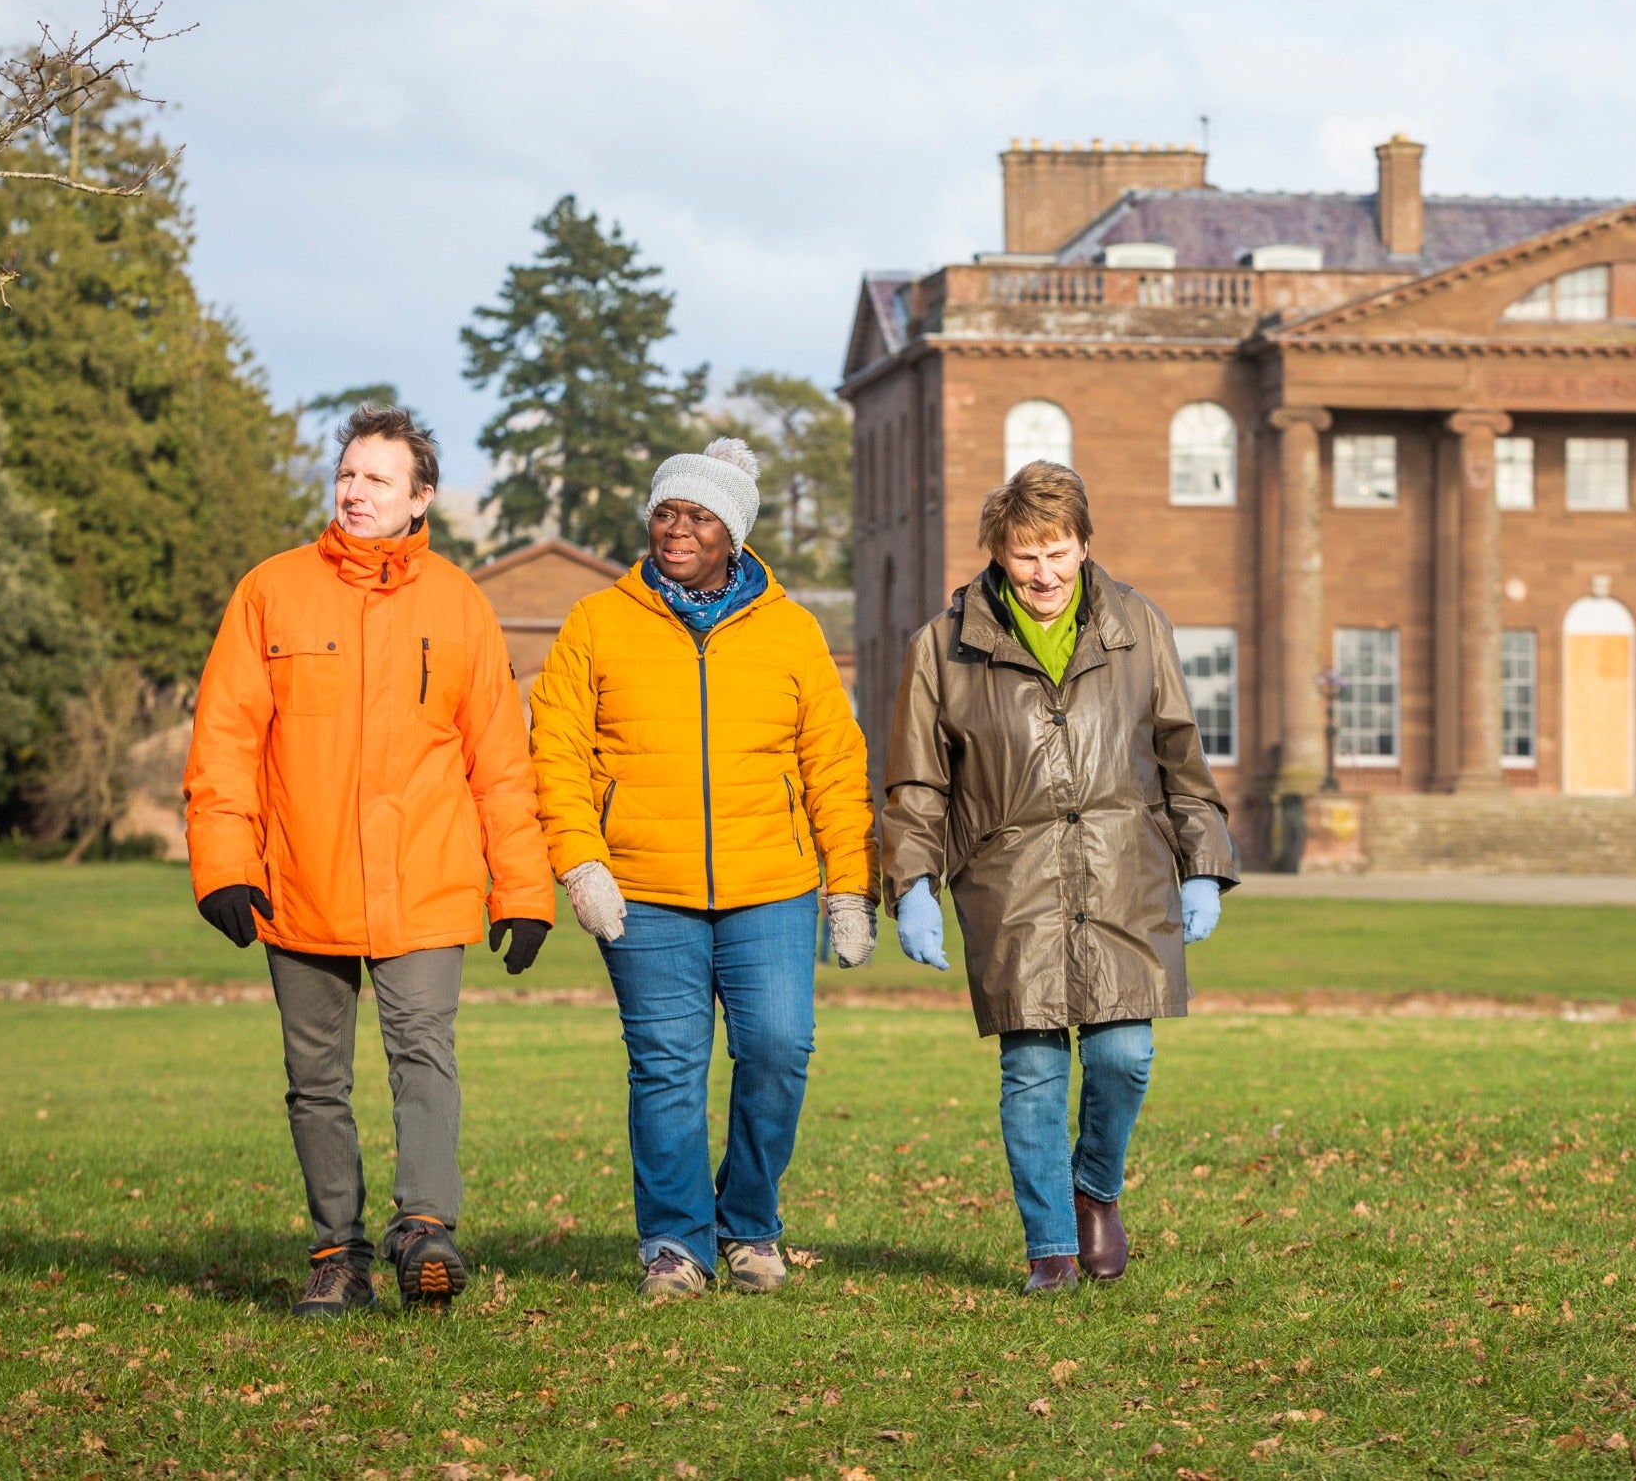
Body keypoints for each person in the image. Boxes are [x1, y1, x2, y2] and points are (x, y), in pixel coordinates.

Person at [183, 404, 552, 1321]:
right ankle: (337, 1254)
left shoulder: (460, 604)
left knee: (424, 1052)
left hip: (426, 881)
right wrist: (224, 861)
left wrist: (524, 889)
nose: (355, 490)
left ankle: (424, 1231)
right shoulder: (269, 591)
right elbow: (225, 739)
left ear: (421, 496)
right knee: (317, 1081)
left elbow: (500, 761)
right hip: (298, 878)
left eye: (377, 478)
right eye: (348, 473)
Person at [529, 438, 876, 1304]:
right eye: (666, 512)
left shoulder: (792, 630)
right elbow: (556, 753)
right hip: (643, 892)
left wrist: (850, 886)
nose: (676, 529)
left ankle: (750, 1226)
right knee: (667, 1066)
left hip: (773, 886)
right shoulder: (595, 623)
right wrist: (579, 863)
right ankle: (676, 1246)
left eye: (699, 516)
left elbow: (834, 762)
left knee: (777, 1049)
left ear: (736, 533)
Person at [880, 459, 1236, 1294]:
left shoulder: (1138, 624)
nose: (1043, 574)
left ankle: (1095, 1192)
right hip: (1011, 885)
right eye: (1024, 555)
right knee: (1032, 1067)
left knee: (1125, 1056)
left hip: (1126, 874)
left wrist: (1204, 866)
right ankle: (1049, 1247)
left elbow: (1180, 751)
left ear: (1084, 546)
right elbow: (918, 781)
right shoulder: (943, 645)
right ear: (998, 554)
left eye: (1058, 552)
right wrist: (912, 885)